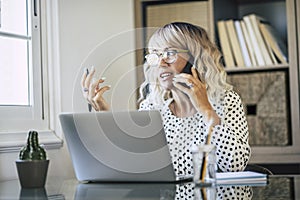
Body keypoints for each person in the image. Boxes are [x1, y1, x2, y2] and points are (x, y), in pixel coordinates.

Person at [81, 22, 251, 176]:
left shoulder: (227, 101)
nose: (161, 63)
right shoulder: (153, 108)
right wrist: (104, 114)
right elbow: (133, 164)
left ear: (195, 59)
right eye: (155, 55)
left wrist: (206, 110)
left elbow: (235, 165)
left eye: (170, 53)